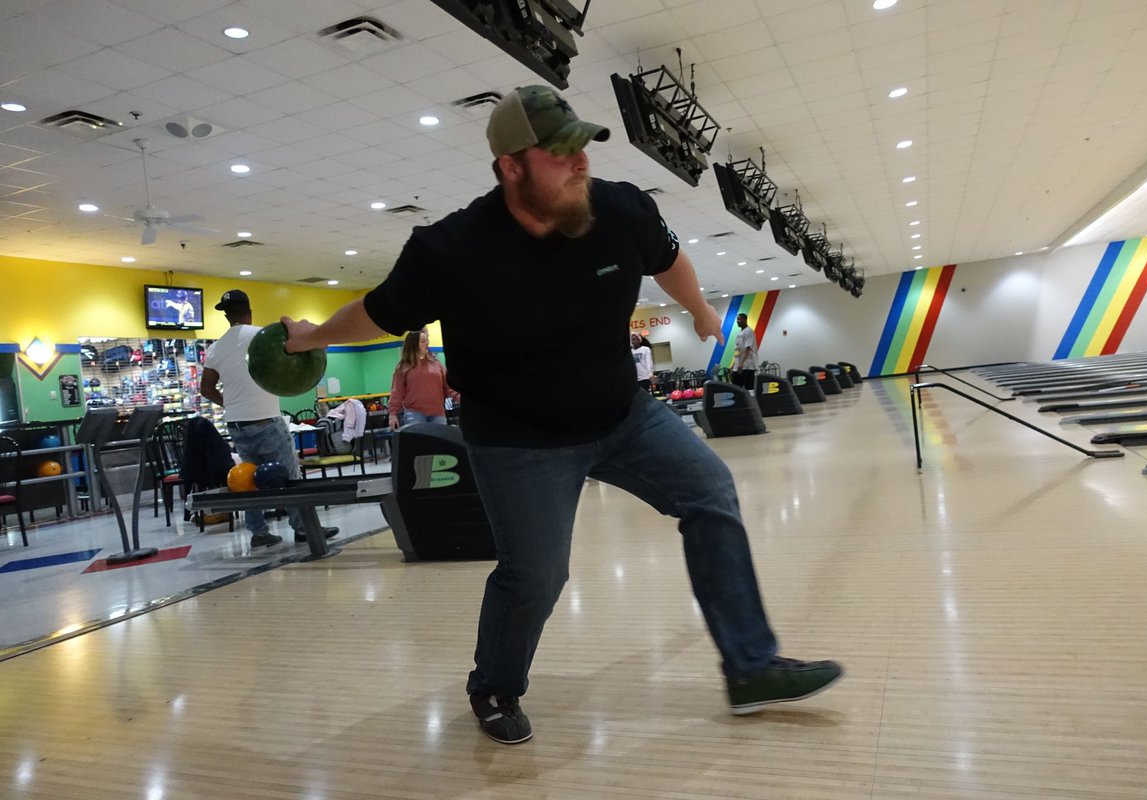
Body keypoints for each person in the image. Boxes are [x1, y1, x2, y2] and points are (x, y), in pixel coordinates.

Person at [281, 85, 842, 745]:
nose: (580, 164)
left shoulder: (621, 209)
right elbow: (378, 312)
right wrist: (313, 336)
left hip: (621, 415)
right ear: (510, 167)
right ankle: (493, 685)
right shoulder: (450, 249)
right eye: (559, 153)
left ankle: (749, 668)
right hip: (518, 439)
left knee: (711, 492)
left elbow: (669, 260)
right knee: (538, 574)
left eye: (582, 148)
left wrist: (698, 309)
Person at [200, 289, 338, 549]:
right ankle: (304, 529)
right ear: (249, 312)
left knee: (249, 479)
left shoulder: (217, 347)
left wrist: (230, 403)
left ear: (226, 315)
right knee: (290, 476)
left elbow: (206, 389)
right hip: (266, 420)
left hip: (237, 424)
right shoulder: (264, 337)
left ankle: (259, 532)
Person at [388, 329, 459, 430]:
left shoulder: (436, 364)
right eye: (423, 341)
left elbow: (448, 386)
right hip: (414, 413)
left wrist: (460, 396)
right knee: (420, 444)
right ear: (414, 345)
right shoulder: (403, 367)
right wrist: (392, 414)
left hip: (437, 413)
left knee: (439, 443)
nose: (427, 343)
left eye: (427, 340)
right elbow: (397, 392)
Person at [732, 313, 758, 391]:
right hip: (738, 366)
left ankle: (751, 403)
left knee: (749, 389)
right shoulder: (739, 334)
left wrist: (741, 363)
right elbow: (737, 350)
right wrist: (734, 363)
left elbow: (748, 348)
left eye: (740, 319)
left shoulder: (749, 331)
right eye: (737, 319)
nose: (738, 321)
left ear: (745, 320)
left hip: (747, 366)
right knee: (736, 389)